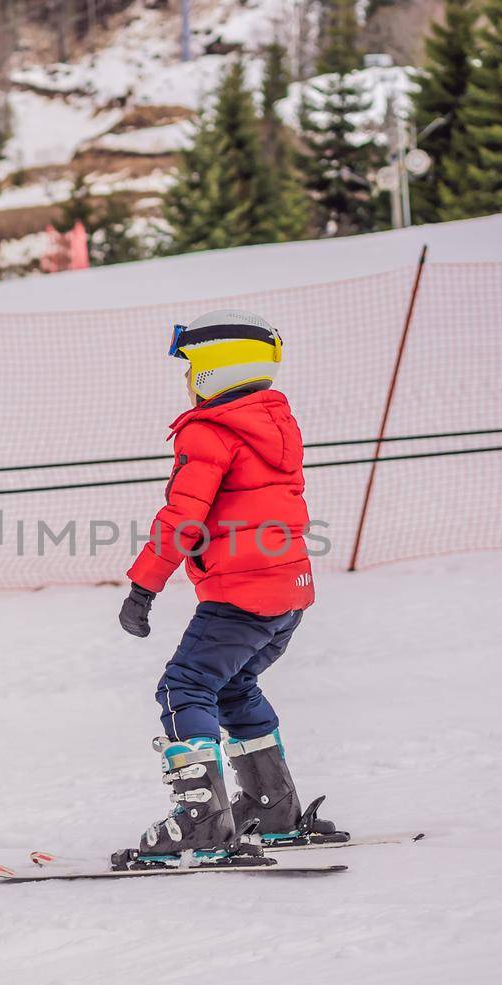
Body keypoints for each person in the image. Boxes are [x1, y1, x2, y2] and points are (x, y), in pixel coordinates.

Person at [118, 310, 341, 858]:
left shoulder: (211, 431)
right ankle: (273, 807)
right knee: (233, 686)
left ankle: (201, 822)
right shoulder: (275, 422)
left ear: (214, 369)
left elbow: (182, 517)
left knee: (184, 688)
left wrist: (143, 588)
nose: (186, 378)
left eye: (191, 364)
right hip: (288, 593)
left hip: (242, 595)